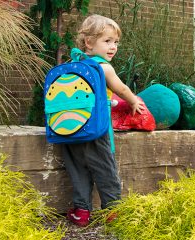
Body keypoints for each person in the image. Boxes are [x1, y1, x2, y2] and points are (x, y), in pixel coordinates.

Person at [62, 14, 145, 227]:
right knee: (105, 169)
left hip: (70, 129)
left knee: (78, 170)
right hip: (96, 130)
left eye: (115, 42)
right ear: (89, 42)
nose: (113, 47)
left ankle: (81, 211)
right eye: (107, 41)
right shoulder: (103, 67)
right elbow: (122, 89)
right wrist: (134, 102)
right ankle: (114, 210)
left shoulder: (74, 64)